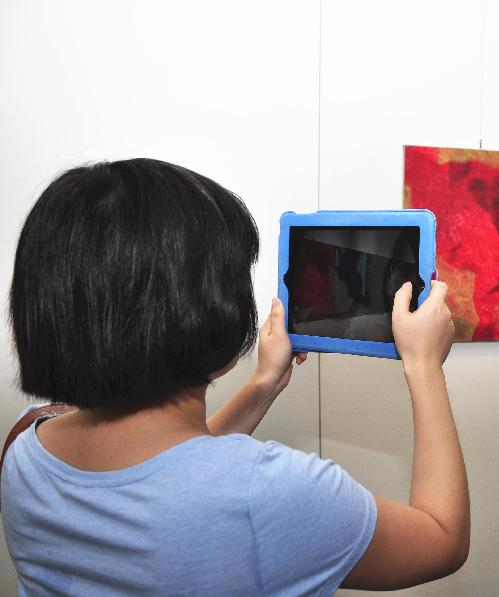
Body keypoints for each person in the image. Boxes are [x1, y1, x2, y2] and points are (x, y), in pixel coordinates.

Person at [3, 159, 468, 595]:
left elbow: (173, 470)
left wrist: (263, 382)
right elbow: (441, 539)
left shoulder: (26, 443)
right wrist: (423, 366)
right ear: (204, 309)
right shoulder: (272, 494)